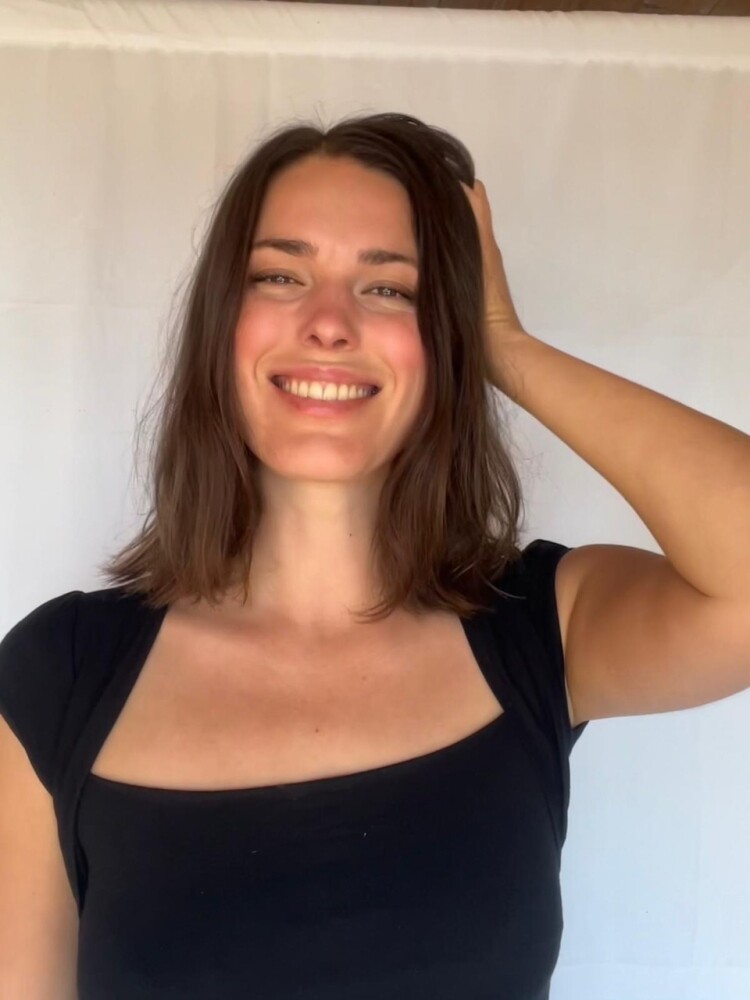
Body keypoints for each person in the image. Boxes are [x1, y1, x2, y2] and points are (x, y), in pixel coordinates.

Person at [2, 111, 748, 1000]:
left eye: (390, 288)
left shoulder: (538, 630)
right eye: (280, 275)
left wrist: (503, 345)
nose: (328, 323)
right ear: (221, 322)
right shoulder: (61, 673)